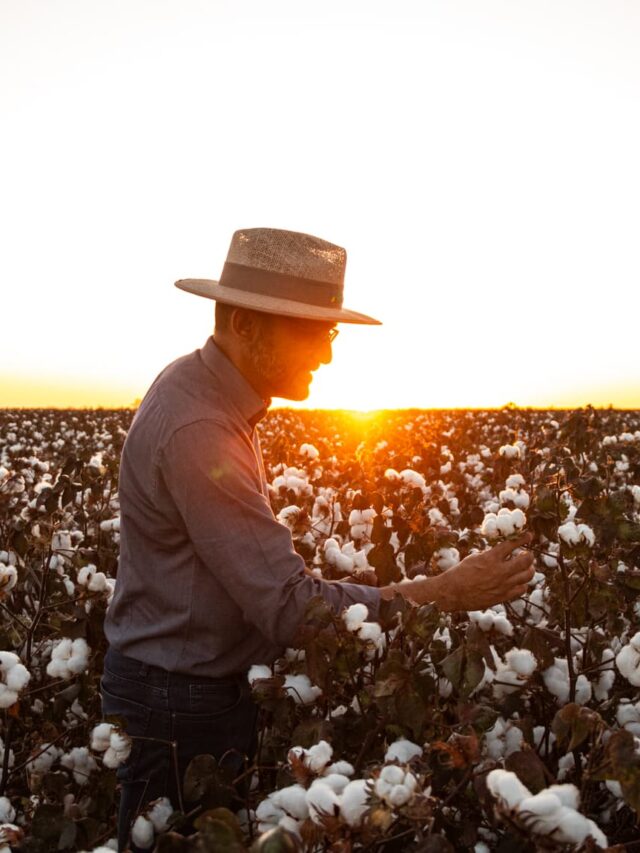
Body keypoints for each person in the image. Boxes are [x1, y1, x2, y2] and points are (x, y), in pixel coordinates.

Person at [102, 228, 534, 850]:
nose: (327, 355)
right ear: (246, 324)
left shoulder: (201, 390)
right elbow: (289, 611)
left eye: (329, 333)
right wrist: (444, 591)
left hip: (173, 687)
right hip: (179, 703)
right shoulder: (201, 427)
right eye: (312, 332)